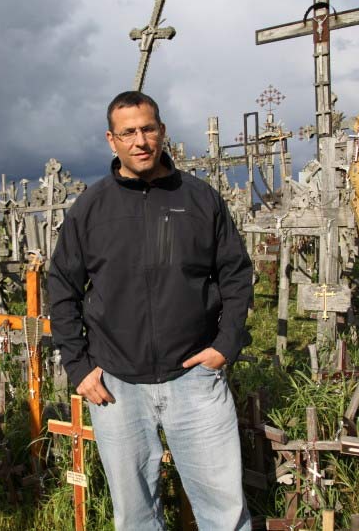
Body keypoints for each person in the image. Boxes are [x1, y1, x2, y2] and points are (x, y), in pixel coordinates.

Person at [48, 91, 252, 530]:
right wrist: (78, 366)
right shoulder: (91, 209)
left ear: (162, 132)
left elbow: (235, 273)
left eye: (148, 129)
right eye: (128, 132)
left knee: (224, 511)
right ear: (111, 140)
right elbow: (62, 286)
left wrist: (226, 344)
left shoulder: (199, 200)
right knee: (135, 516)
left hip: (195, 378)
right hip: (118, 384)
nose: (140, 141)